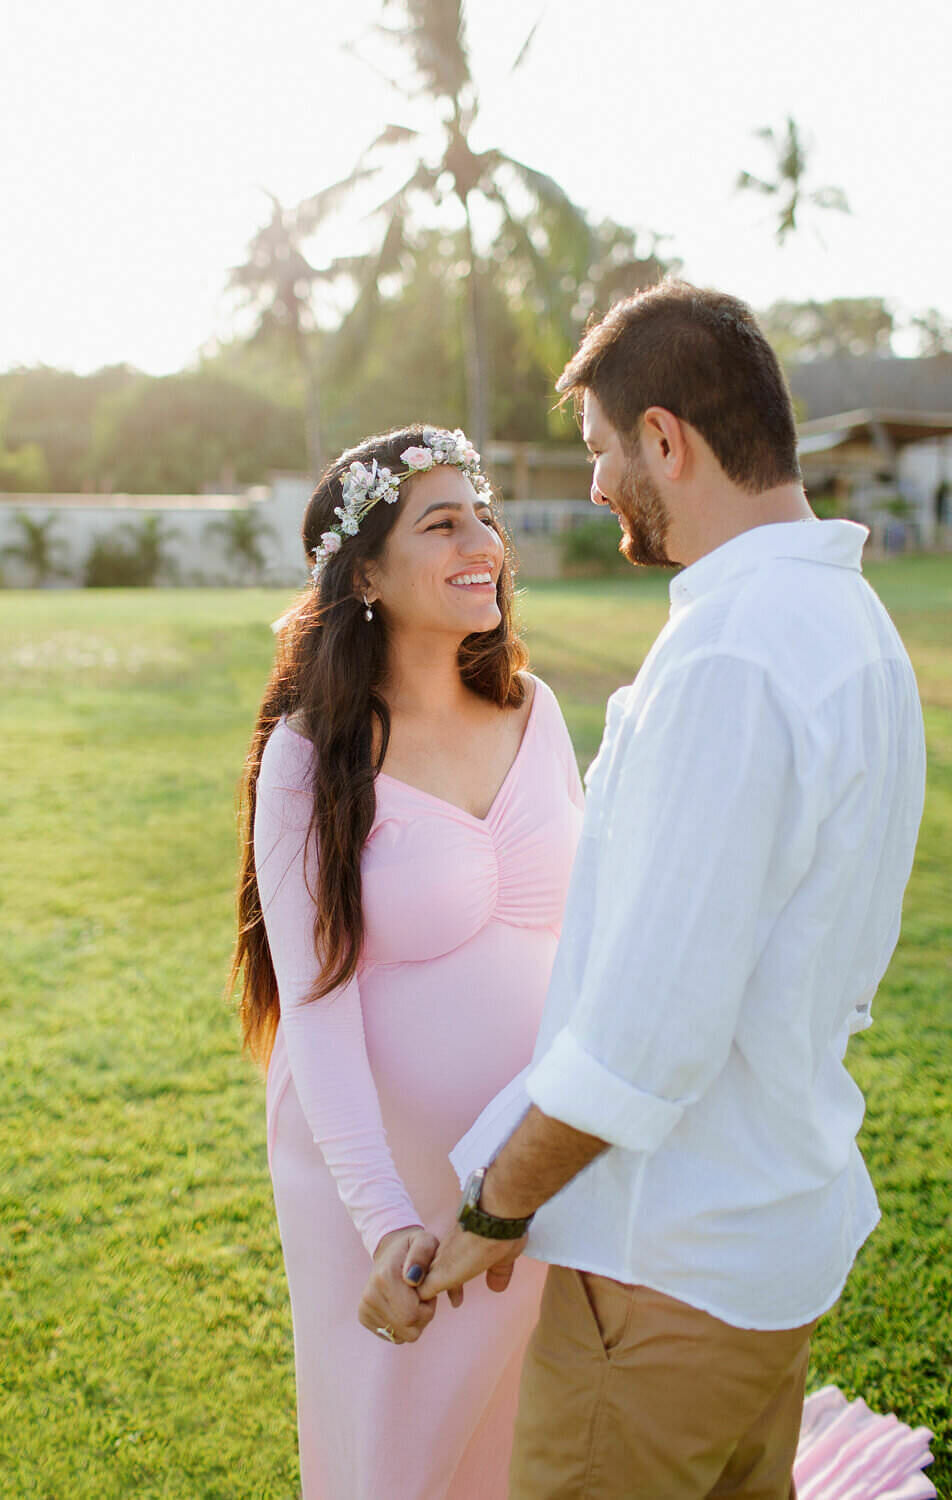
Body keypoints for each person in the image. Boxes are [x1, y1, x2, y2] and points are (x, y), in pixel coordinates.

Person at [418, 283, 929, 1499]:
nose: (594, 488)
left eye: (601, 451)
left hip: (666, 1281)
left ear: (665, 439)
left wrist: (485, 1217)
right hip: (763, 1255)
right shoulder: (848, 623)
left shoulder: (732, 655)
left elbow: (648, 1042)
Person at [229, 426, 584, 1499]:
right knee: (396, 1457)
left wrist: (549, 1147)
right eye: (442, 523)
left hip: (530, 1157)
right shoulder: (309, 755)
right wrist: (385, 1220)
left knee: (530, 1440)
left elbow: (581, 939)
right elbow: (317, 1012)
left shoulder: (536, 710)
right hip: (379, 1176)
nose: (482, 540)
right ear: (368, 573)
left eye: (482, 513)